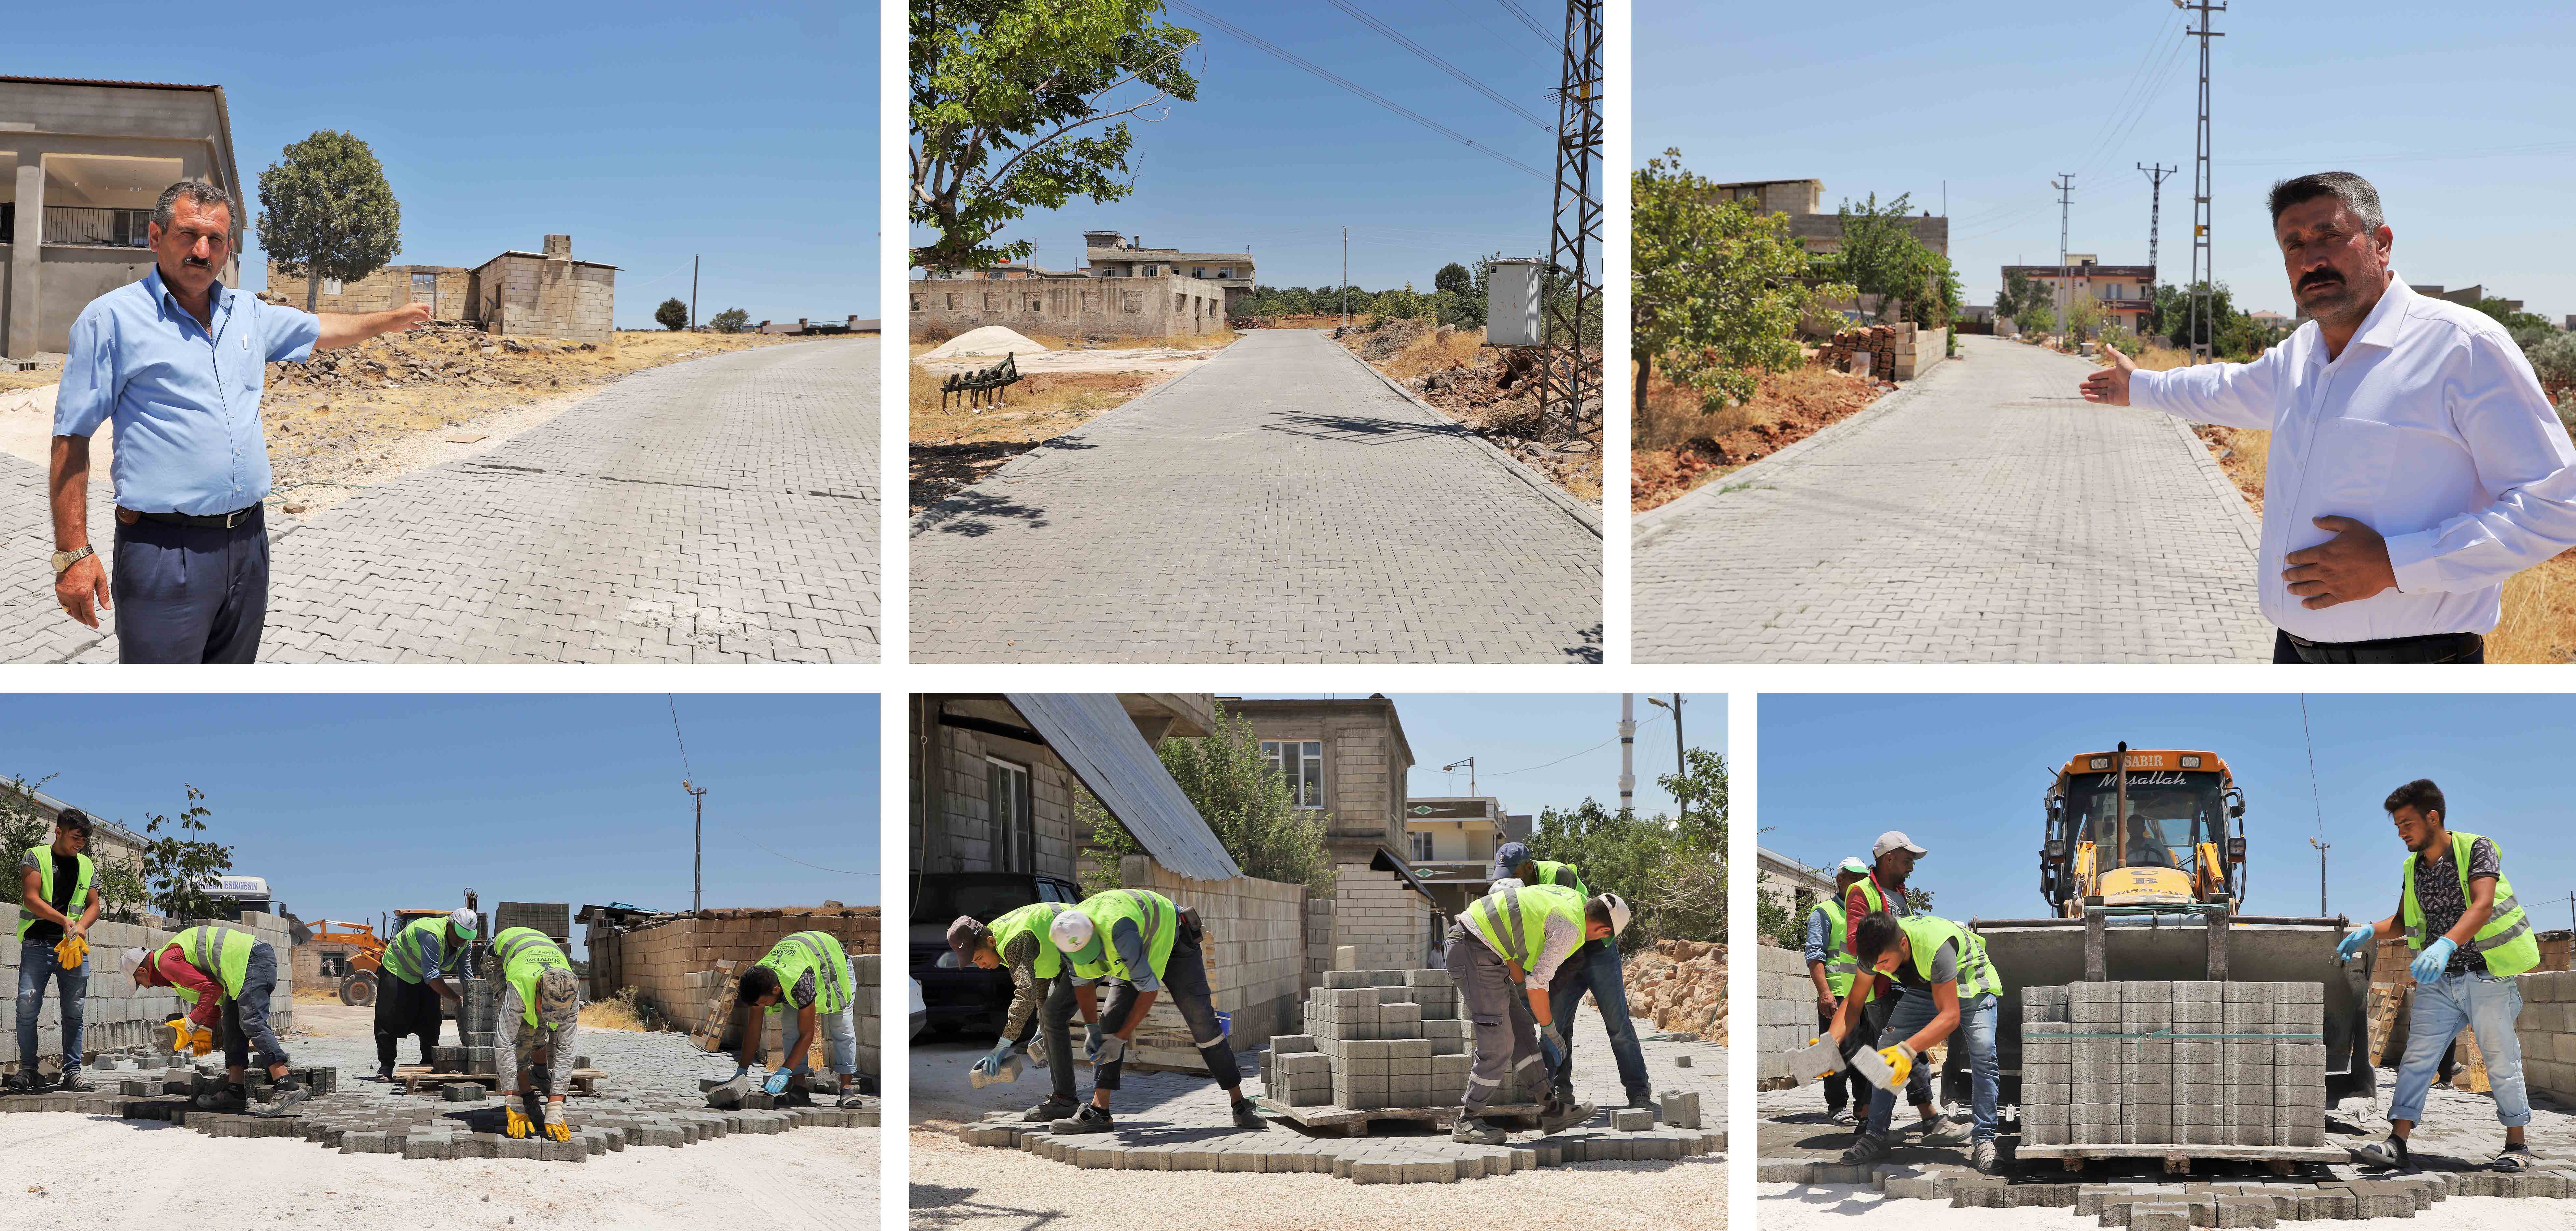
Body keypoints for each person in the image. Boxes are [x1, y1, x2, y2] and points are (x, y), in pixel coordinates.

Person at [2079, 171, 2576, 664]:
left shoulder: (2460, 346)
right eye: (2292, 245)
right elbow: (2227, 388)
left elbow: (2557, 507)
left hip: (2418, 667)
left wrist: (2395, 565)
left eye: (2329, 236)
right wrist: (2139, 386)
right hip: (2293, 654)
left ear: (2381, 244)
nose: (2310, 259)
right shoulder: (2303, 352)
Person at [47, 179, 434, 663]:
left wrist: (388, 319)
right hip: (165, 553)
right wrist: (73, 554)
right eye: (188, 235)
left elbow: (322, 329)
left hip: (249, 545)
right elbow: (71, 438)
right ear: (155, 236)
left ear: (229, 248)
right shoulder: (111, 320)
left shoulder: (248, 314)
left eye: (217, 240)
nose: (203, 250)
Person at [2337, 778, 2538, 1172]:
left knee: (2501, 1061)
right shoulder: (2413, 867)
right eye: (2396, 826)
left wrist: (2445, 943)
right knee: (2416, 1061)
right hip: (2438, 982)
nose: (2400, 833)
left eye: (2406, 824)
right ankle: (2397, 1141)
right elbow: (2399, 921)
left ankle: (2516, 1145)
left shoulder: (2475, 849)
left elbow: (2481, 905)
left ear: (2432, 818)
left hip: (2487, 977)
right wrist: (2368, 931)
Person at [1041, 887, 1266, 1135]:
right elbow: (1082, 984)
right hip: (1138, 942)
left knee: (1202, 1023)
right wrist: (1092, 1029)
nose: (1087, 958)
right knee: (1110, 1020)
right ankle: (1099, 1113)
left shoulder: (1119, 931)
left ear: (1094, 933)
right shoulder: (1067, 935)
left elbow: (1148, 991)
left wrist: (1120, 1039)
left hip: (1174, 940)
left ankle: (1241, 1104)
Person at [1444, 879, 1630, 1145]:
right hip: (1473, 949)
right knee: (1499, 1043)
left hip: (1484, 950)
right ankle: (1467, 1119)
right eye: (1604, 938)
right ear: (1602, 929)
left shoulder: (1571, 899)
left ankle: (1550, 1109)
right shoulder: (1570, 929)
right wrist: (1551, 1030)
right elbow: (1536, 985)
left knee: (1520, 1029)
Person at [1827, 910, 2005, 1173]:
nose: (1882, 969)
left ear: (1902, 944)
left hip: (1972, 983)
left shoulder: (1934, 947)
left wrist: (1907, 1050)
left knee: (1983, 1054)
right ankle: (1876, 1135)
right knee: (1885, 1048)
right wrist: (1828, 1045)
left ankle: (1984, 1139)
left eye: (1886, 962)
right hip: (1924, 988)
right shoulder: (1873, 952)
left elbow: (1950, 1016)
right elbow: (1854, 1005)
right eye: (1876, 965)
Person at [1494, 842, 1654, 1109]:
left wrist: (1540, 987)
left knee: (1617, 1024)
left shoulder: (1558, 875)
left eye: (1513, 874)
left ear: (1527, 866)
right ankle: (1556, 1092)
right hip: (1564, 953)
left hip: (1594, 947)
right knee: (1555, 1026)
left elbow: (1573, 928)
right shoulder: (1520, 888)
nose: (1510, 881)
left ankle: (1638, 1091)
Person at [125, 925, 309, 1116]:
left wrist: (190, 1023)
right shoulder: (173, 973)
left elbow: (212, 990)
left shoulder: (166, 963)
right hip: (239, 971)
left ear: (143, 971)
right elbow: (212, 999)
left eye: (139, 982)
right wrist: (205, 1031)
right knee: (231, 1025)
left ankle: (286, 1084)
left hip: (252, 960)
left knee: (252, 1021)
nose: (146, 987)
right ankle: (235, 1091)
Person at [946, 901, 1099, 1124]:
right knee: (1049, 1019)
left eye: (979, 959)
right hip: (1065, 954)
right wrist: (1041, 1023)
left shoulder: (1013, 941)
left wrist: (1002, 1046)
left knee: (1054, 1018)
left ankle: (1065, 1101)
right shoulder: (997, 935)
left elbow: (1024, 992)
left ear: (990, 942)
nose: (980, 966)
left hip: (1085, 943)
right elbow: (1038, 980)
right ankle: (1062, 1098)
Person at [1841, 830, 1949, 1136]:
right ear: (1888, 859)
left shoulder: (1899, 894)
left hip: (1905, 981)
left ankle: (1868, 1119)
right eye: (1906, 860)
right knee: (1903, 1048)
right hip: (1881, 985)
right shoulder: (1862, 892)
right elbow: (1855, 942)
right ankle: (1927, 1117)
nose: (1911, 867)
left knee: (1892, 1050)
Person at [11, 809, 102, 1094]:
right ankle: (28, 1071)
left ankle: (73, 1072)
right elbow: (31, 898)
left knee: (74, 1011)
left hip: (73, 948)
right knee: (27, 1008)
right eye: (76, 838)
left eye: (84, 840)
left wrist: (82, 926)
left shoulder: (87, 866)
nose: (80, 844)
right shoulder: (35, 856)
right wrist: (64, 921)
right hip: (38, 944)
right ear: (58, 831)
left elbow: (94, 905)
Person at [729, 930, 867, 1110]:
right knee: (790, 1029)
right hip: (803, 963)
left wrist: (784, 1071)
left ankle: (847, 1089)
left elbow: (808, 1035)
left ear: (777, 990)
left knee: (841, 1026)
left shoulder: (800, 982)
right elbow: (754, 1030)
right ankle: (799, 1090)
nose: (762, 1007)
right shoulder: (759, 979)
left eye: (763, 1003)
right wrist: (742, 1072)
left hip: (835, 963)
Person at [488, 926, 582, 1142]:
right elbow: (505, 1043)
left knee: (538, 1023)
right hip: (497, 957)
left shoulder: (570, 993)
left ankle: (540, 1074)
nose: (548, 1015)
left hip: (538, 950)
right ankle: (526, 1097)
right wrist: (513, 1100)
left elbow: (567, 1048)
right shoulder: (520, 988)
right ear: (538, 988)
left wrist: (557, 1103)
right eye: (545, 1007)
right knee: (523, 1034)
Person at [373, 909, 478, 1082]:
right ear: (450, 925)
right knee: (388, 1019)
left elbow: (466, 972)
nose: (462, 940)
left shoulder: (466, 943)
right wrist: (456, 998)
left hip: (423, 975)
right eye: (459, 935)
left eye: (466, 936)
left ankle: (429, 1061)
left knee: (431, 1018)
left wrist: (474, 998)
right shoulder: (432, 934)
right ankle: (386, 1066)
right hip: (398, 968)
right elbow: (432, 977)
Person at [1803, 856, 1869, 1125]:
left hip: (1867, 997)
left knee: (1865, 1053)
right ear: (1839, 880)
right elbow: (1815, 955)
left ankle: (1863, 1108)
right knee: (1835, 1052)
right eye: (1853, 879)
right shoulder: (1825, 912)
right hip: (1838, 994)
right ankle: (1836, 1106)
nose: (1858, 885)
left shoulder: (1869, 916)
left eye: (1863, 881)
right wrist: (1825, 993)